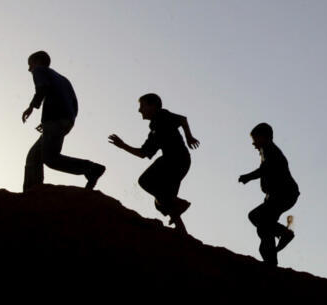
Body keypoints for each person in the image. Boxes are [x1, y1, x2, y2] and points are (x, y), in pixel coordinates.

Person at [108, 93, 199, 233]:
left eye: (142, 106)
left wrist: (189, 137)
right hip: (176, 162)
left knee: (146, 181)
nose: (139, 110)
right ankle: (181, 230)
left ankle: (180, 204)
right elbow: (143, 153)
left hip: (176, 160)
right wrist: (123, 145)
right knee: (162, 201)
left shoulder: (162, 116)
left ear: (153, 106)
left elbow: (182, 119)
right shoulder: (154, 130)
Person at [22, 50, 106, 192]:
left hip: (56, 121)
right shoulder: (63, 79)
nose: (29, 69)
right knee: (34, 156)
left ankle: (91, 168)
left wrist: (31, 107)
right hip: (64, 120)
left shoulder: (40, 70)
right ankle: (33, 190)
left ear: (36, 62)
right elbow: (72, 102)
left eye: (30, 65)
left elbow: (42, 88)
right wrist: (60, 120)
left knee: (50, 158)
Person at [239, 123, 299, 266]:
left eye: (255, 139)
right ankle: (281, 238)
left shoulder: (269, 149)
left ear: (265, 137)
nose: (253, 144)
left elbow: (265, 170)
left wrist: (248, 176)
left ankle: (272, 259)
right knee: (260, 221)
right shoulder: (268, 151)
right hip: (279, 195)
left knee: (261, 222)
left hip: (284, 193)